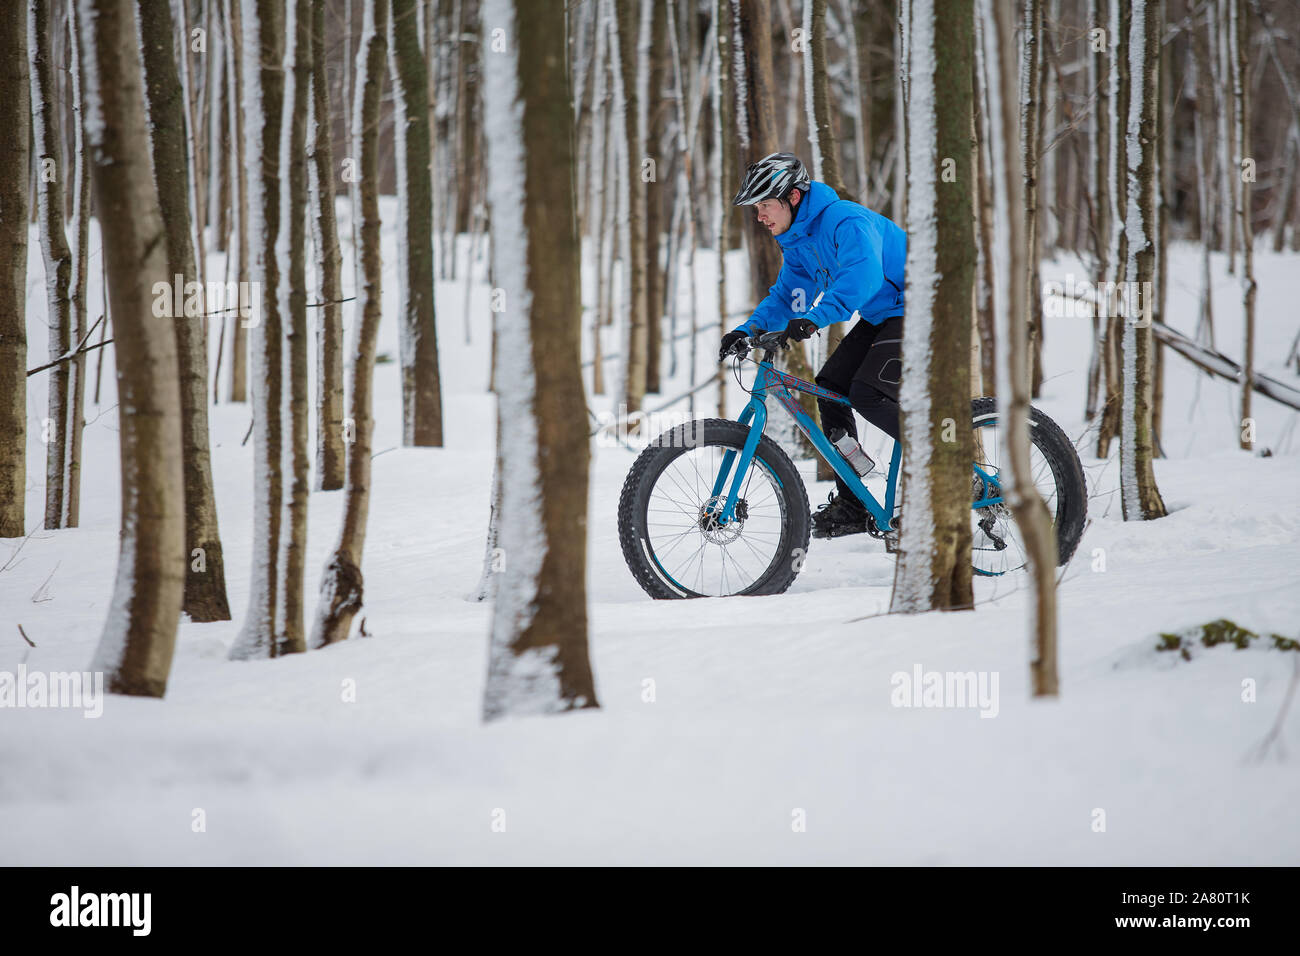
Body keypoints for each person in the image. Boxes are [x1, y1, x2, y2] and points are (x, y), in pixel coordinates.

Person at [718, 152, 907, 539]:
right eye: (756, 208)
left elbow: (864, 276)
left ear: (793, 197)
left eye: (765, 206)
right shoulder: (799, 241)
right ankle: (855, 505)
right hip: (883, 314)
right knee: (831, 390)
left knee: (867, 392)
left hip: (922, 305)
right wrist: (747, 330)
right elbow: (789, 296)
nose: (760, 217)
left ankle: (945, 466)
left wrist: (817, 317)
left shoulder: (845, 221)